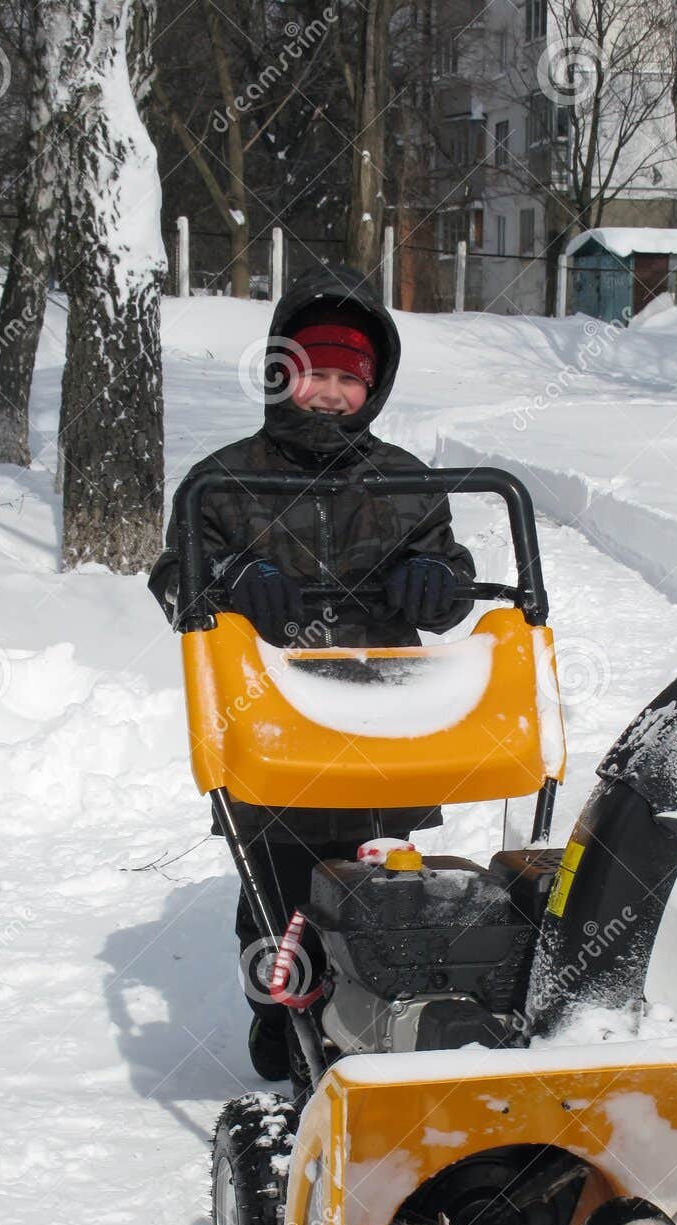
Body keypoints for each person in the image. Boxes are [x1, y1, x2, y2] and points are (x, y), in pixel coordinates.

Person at [150, 262, 476, 1082]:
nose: (330, 394)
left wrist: (436, 582)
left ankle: (368, 1011)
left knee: (378, 877)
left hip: (382, 715)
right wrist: (232, 579)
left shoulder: (405, 481)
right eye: (314, 374)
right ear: (280, 373)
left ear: (373, 387)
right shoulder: (224, 482)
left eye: (348, 379)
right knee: (279, 884)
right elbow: (176, 577)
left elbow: (451, 573)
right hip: (271, 716)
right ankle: (279, 1010)